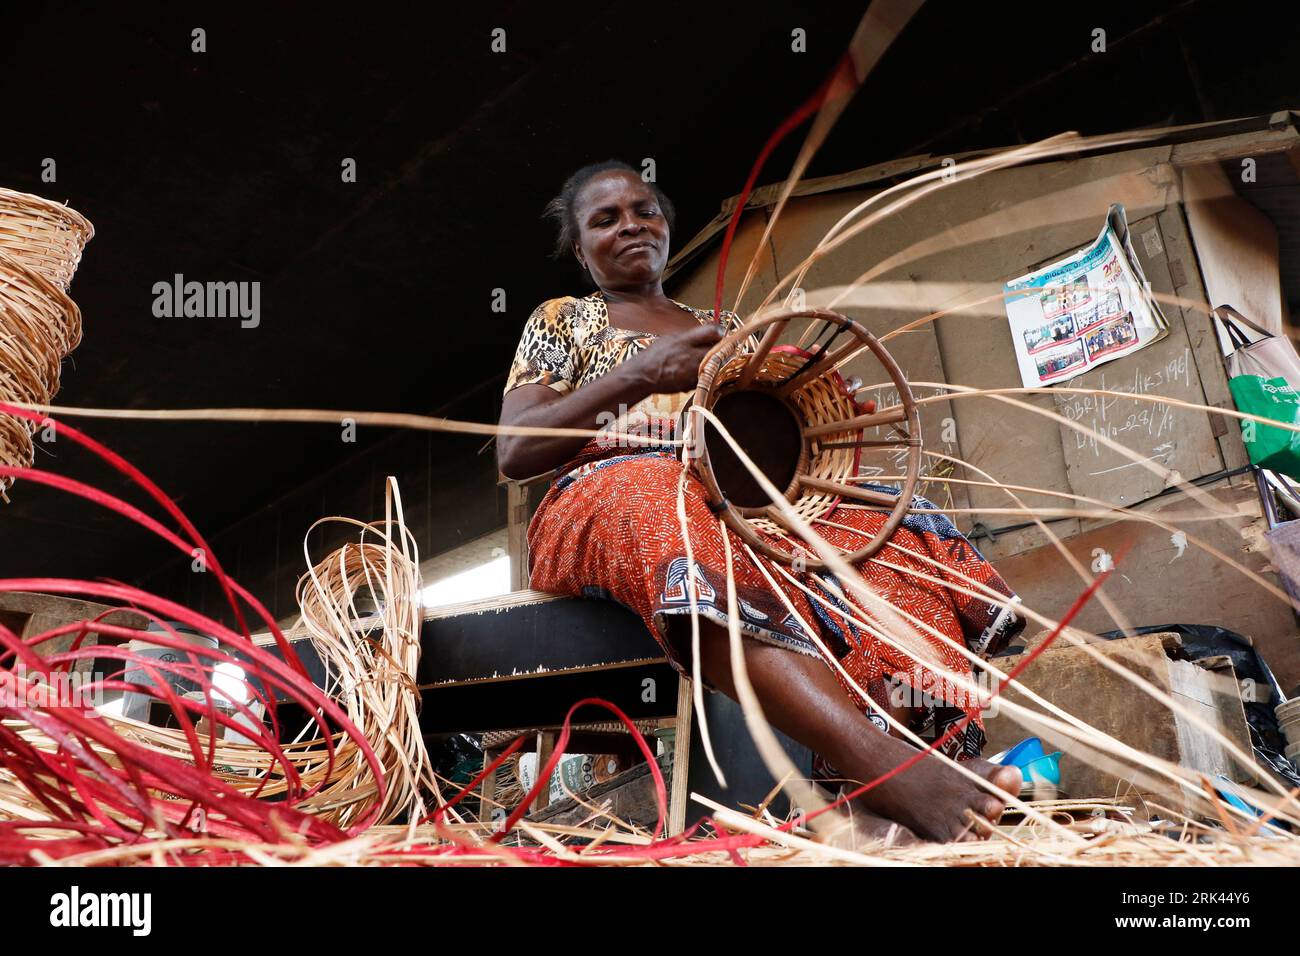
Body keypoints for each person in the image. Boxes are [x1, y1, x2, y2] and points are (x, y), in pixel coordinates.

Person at [496, 160, 1026, 843]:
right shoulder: (567, 319)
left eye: (644, 210)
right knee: (667, 502)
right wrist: (641, 375)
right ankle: (876, 766)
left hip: (737, 504)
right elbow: (515, 450)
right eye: (605, 219)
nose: (631, 224)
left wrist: (817, 417)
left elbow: (759, 455)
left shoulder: (723, 326)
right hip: (605, 497)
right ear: (579, 249)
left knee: (893, 526)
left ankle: (939, 749)